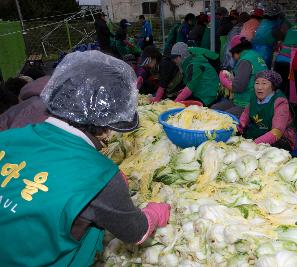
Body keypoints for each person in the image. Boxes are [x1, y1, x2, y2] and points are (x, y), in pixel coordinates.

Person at [0, 51, 170, 266]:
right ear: (107, 127)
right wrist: (154, 214)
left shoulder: (8, 136)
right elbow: (135, 233)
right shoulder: (100, 176)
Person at [238, 70, 295, 151]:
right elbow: (246, 114)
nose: (259, 87)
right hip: (257, 134)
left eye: (264, 83)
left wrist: (254, 144)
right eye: (257, 83)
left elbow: (277, 132)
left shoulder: (280, 102)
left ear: (273, 86)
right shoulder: (254, 97)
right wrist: (238, 127)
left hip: (279, 139)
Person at [213, 36, 267, 118]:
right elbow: (248, 79)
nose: (233, 57)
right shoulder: (255, 55)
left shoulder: (245, 61)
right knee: (214, 109)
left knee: (223, 118)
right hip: (254, 100)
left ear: (236, 51)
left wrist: (224, 81)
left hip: (248, 103)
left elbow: (238, 87)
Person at [252, 3, 289, 68]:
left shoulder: (264, 22)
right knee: (263, 69)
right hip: (265, 50)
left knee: (256, 67)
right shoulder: (275, 24)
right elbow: (280, 35)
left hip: (254, 48)